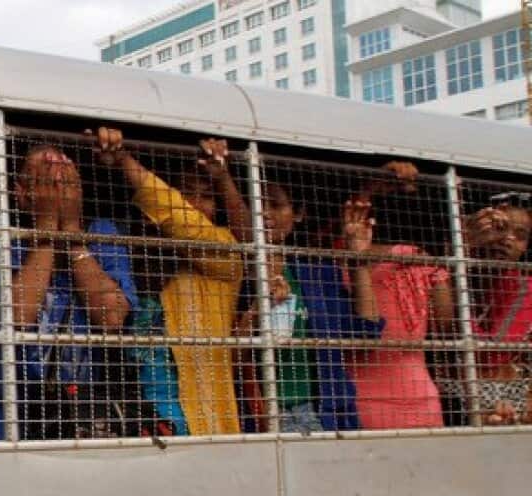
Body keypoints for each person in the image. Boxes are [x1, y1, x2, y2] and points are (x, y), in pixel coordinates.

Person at [0, 144, 138, 441]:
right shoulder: (1, 238)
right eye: (46, 180)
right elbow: (16, 316)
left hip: (81, 418)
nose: (57, 187)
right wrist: (47, 227)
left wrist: (71, 233)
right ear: (21, 194)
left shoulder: (102, 233)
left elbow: (112, 318)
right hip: (5, 418)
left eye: (65, 181)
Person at [91, 128, 244, 436]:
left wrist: (125, 162)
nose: (196, 205)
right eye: (187, 193)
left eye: (207, 197)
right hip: (132, 422)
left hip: (202, 423)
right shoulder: (126, 252)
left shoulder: (225, 261)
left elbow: (185, 225)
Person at [236, 184, 387, 433]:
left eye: (275, 204)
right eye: (255, 204)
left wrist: (358, 259)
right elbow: (232, 352)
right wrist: (259, 305)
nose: (264, 213)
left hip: (325, 413)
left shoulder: (317, 270)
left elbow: (367, 333)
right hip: (265, 416)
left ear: (298, 213)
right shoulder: (235, 265)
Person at [346, 163, 455, 430]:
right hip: (421, 395)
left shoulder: (349, 256)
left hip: (367, 395)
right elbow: (444, 325)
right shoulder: (426, 261)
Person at [437, 196, 532, 425]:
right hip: (448, 396)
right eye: (499, 228)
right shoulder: (451, 271)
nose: (507, 240)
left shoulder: (525, 286)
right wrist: (462, 249)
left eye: (520, 235)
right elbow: (441, 325)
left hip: (507, 396)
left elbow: (491, 352)